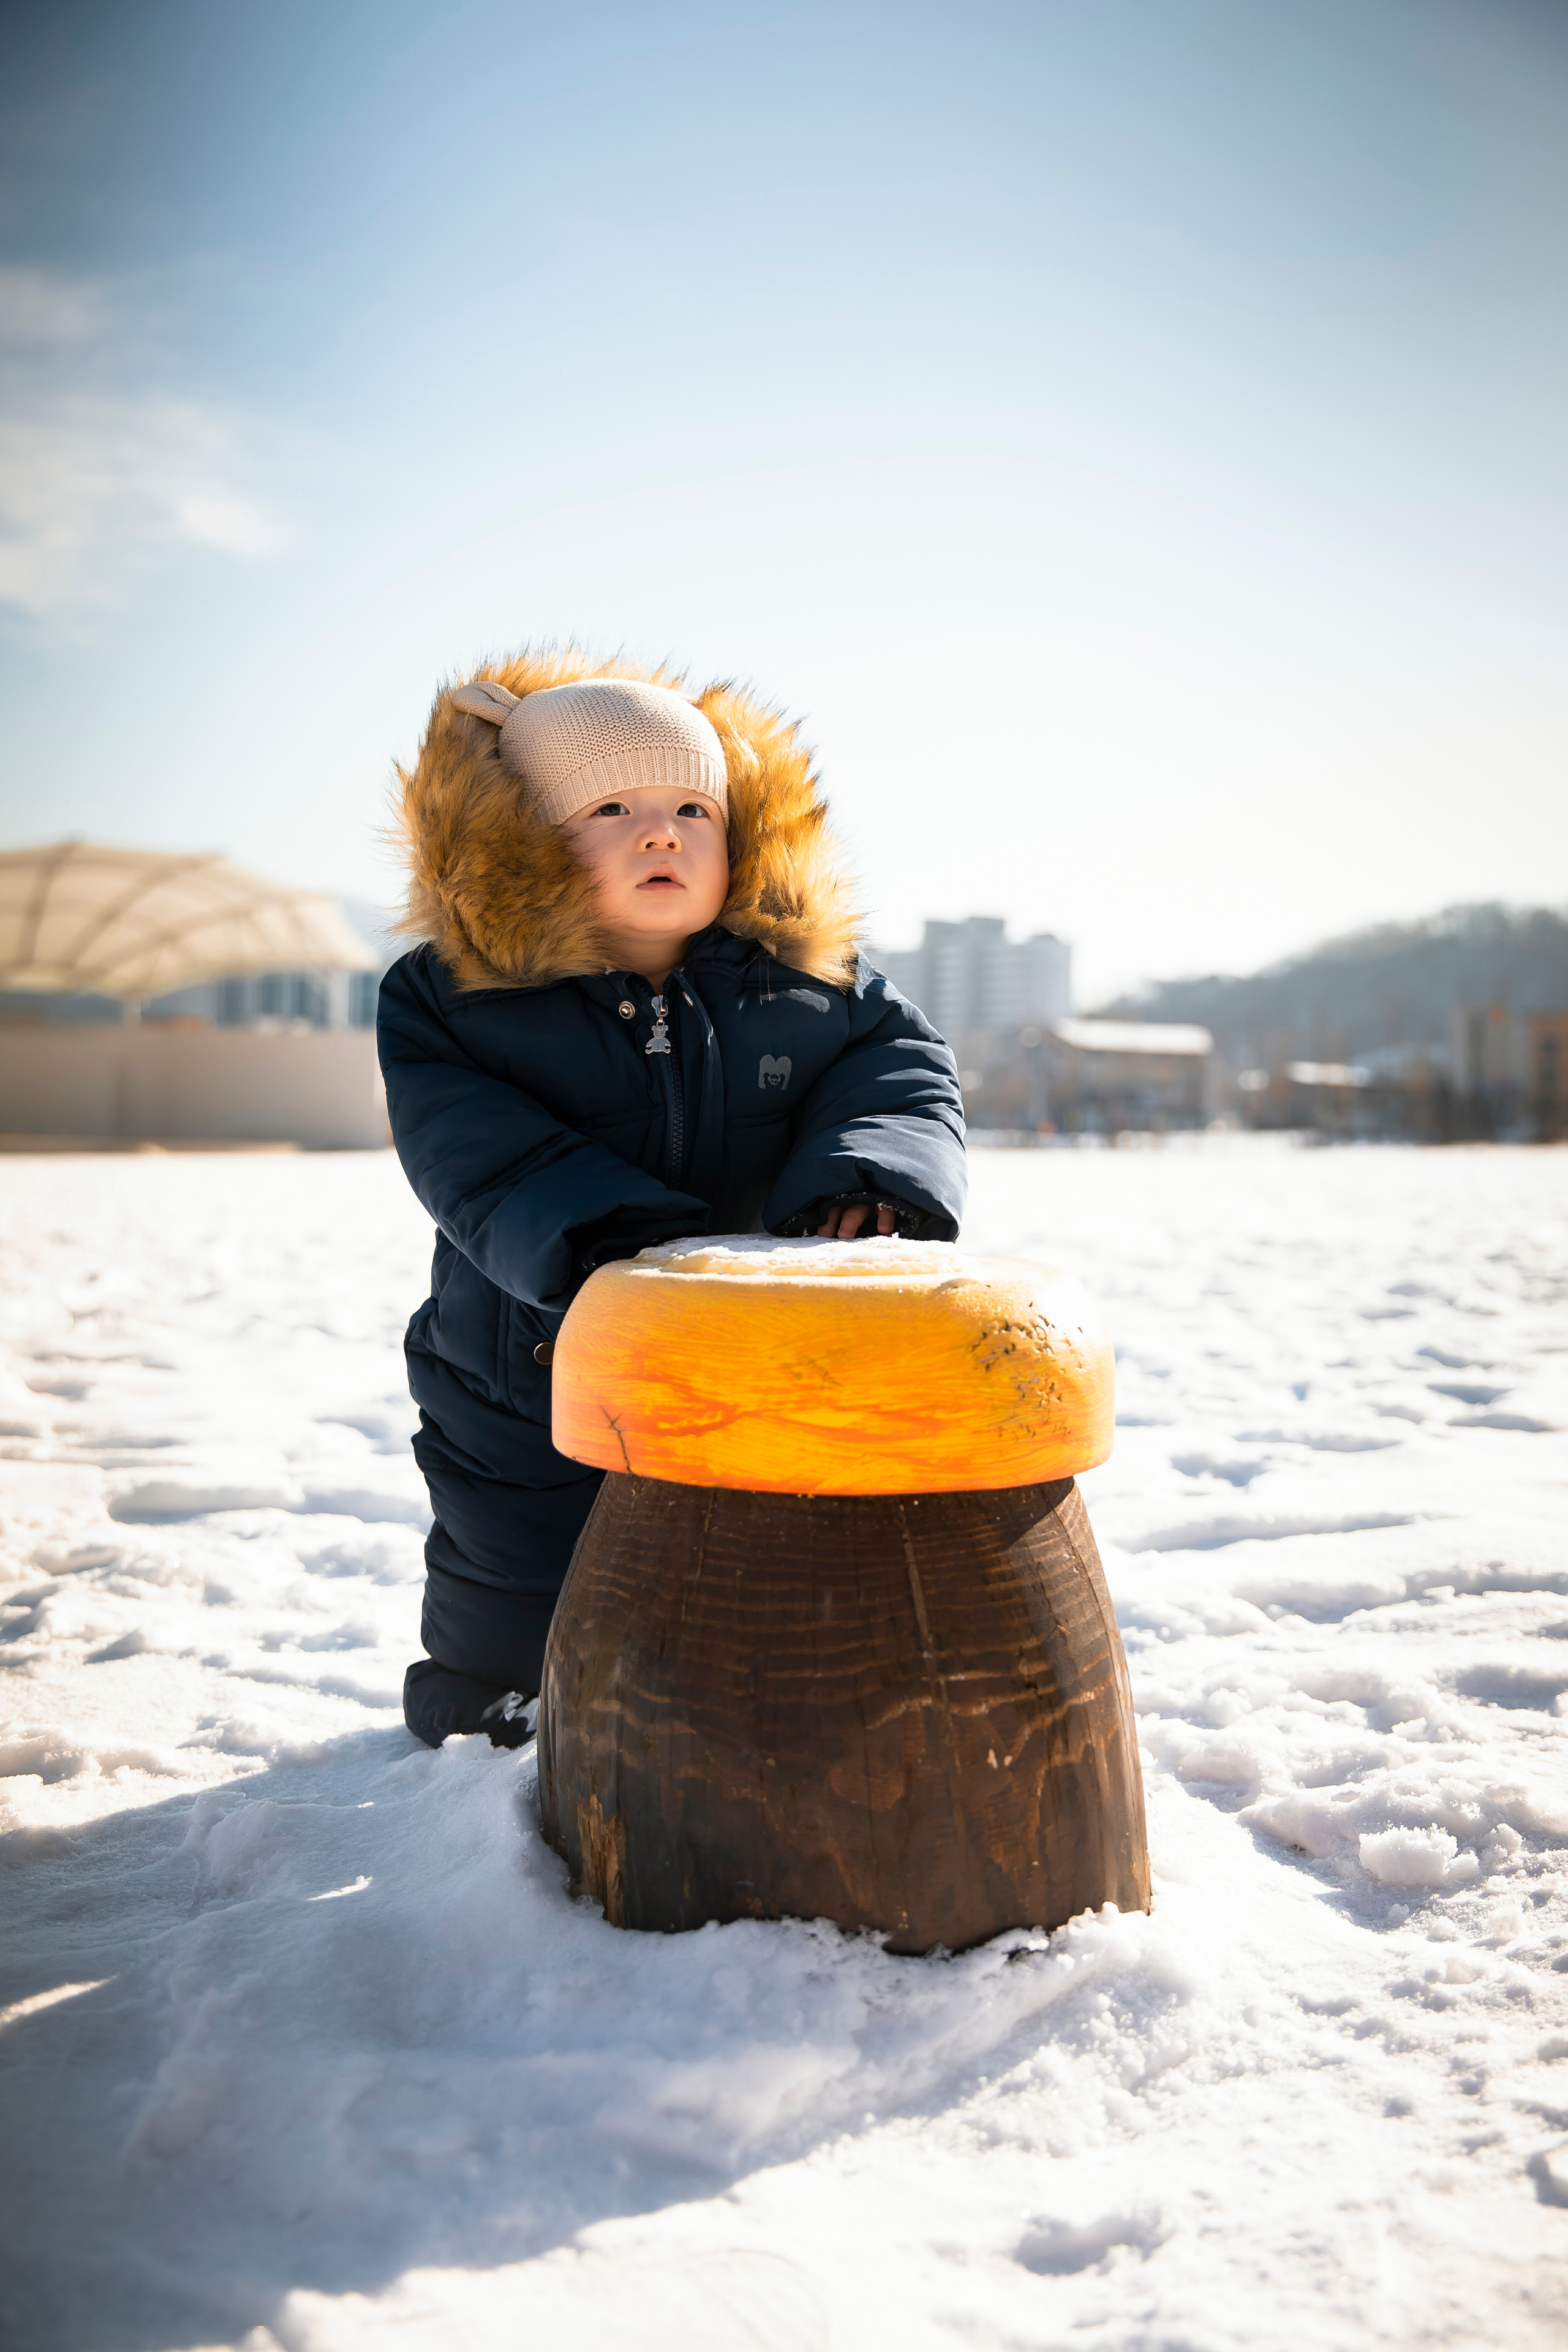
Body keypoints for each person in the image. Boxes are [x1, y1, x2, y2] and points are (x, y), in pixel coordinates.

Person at [378, 652, 967, 1748]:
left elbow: (899, 1075)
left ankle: (739, 1708)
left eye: (693, 806)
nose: (663, 833)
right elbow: (470, 1142)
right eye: (613, 809)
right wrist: (614, 1233)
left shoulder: (812, 984)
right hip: (527, 1355)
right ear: (526, 843)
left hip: (751, 1345)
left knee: (758, 1546)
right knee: (516, 1561)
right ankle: (492, 1704)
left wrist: (862, 1187)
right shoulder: (455, 996)